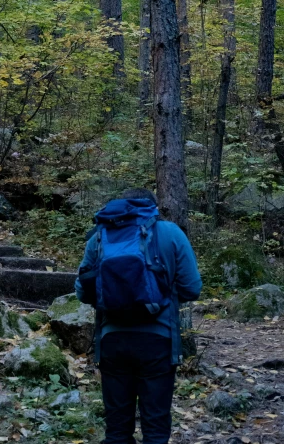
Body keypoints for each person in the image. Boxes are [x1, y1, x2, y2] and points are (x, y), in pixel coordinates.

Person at [75, 187, 202, 444]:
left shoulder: (99, 237)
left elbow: (82, 291)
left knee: (117, 430)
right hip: (158, 341)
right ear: (153, 208)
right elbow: (192, 287)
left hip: (113, 341)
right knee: (155, 427)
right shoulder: (170, 233)